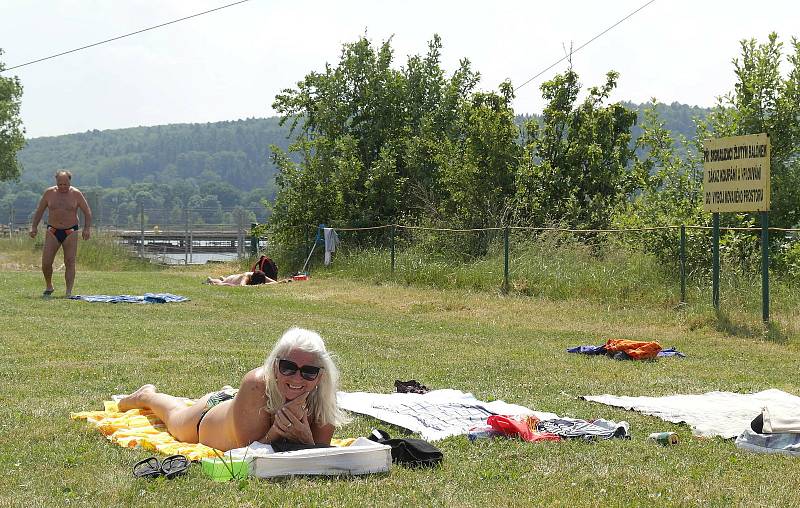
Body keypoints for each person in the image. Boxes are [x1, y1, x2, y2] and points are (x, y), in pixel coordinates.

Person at [118, 328, 349, 451]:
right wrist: (277, 431)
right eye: (288, 367)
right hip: (205, 419)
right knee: (174, 415)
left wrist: (306, 438)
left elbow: (320, 453)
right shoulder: (257, 383)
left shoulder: (323, 397)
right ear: (275, 367)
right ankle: (146, 395)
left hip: (235, 406)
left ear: (320, 376)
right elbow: (246, 455)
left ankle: (233, 396)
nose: (297, 377)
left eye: (308, 371)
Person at [29, 170, 93, 297]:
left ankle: (68, 291)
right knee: (46, 262)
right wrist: (34, 227)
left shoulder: (76, 194)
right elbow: (39, 211)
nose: (63, 187)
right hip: (52, 230)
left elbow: (87, 212)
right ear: (56, 182)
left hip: (71, 231)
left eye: (65, 184)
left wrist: (87, 229)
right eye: (60, 184)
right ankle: (49, 285)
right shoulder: (49, 193)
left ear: (70, 182)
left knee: (70, 261)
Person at [205, 269, 275, 286]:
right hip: (231, 280)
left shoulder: (261, 276)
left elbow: (274, 282)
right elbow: (242, 286)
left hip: (235, 277)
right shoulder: (246, 276)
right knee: (222, 282)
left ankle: (222, 277)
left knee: (223, 279)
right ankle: (210, 279)